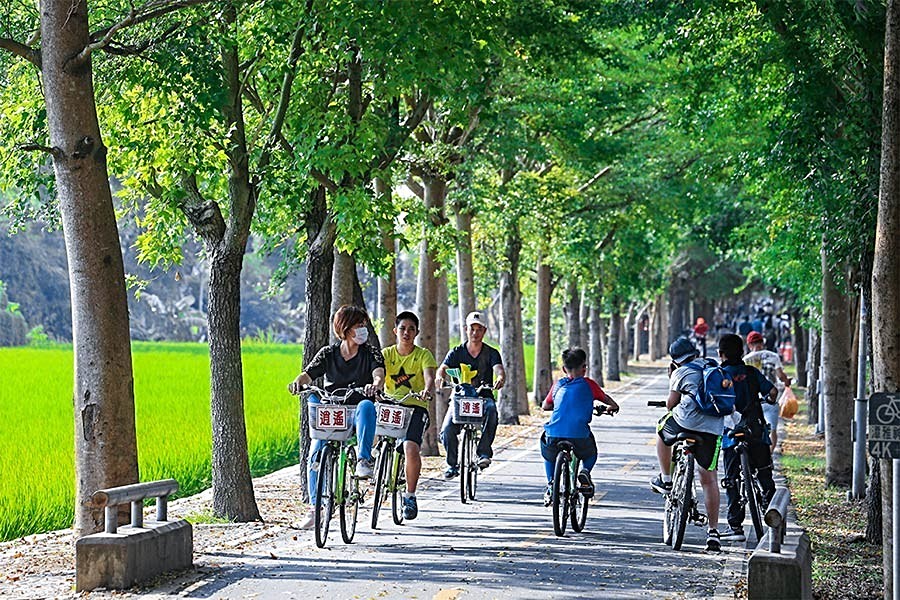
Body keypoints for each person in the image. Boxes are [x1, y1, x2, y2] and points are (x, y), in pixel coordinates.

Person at [288, 305, 385, 529]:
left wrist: (375, 385)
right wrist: (298, 383)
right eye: (358, 325)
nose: (363, 329)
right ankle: (315, 509)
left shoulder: (371, 353)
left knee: (367, 406)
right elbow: (308, 374)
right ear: (345, 328)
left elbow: (378, 373)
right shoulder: (328, 353)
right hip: (331, 413)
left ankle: (363, 460)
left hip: (355, 413)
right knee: (315, 454)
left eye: (363, 325)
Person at [651, 336, 726, 551]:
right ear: (695, 353)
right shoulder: (714, 367)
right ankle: (713, 532)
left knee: (662, 428)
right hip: (713, 429)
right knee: (709, 479)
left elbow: (671, 404)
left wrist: (673, 377)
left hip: (686, 423)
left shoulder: (680, 372)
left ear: (675, 360)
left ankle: (666, 479)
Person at [717, 334, 778, 542]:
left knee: (731, 479)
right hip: (755, 430)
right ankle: (772, 510)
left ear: (721, 354)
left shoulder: (719, 374)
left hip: (730, 434)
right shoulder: (751, 372)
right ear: (742, 352)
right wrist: (769, 399)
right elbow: (772, 391)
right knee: (764, 472)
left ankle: (735, 526)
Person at [540, 348, 619, 506]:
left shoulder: (558, 385)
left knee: (548, 454)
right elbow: (608, 401)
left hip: (554, 434)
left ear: (564, 369)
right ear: (584, 368)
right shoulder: (589, 385)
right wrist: (612, 407)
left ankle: (550, 485)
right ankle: (585, 472)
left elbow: (545, 406)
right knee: (591, 454)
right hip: (579, 436)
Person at [381, 311, 437, 521]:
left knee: (411, 448)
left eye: (411, 329)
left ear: (417, 332)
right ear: (395, 331)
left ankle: (410, 496)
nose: (406, 333)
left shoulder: (423, 355)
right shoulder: (386, 354)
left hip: (415, 408)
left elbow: (429, 377)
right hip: (390, 405)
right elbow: (378, 375)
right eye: (402, 328)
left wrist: (427, 390)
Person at [438, 311, 505, 478]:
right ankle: (452, 464)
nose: (475, 333)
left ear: (484, 331)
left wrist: (500, 378)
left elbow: (499, 369)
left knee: (492, 411)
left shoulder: (491, 353)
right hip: (460, 399)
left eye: (479, 329)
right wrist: (440, 377)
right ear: (465, 329)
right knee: (446, 430)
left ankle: (484, 453)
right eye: (472, 329)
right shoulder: (456, 352)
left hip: (483, 398)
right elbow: (443, 368)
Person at [743, 331, 791, 453]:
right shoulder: (773, 356)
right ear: (762, 343)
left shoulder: (745, 360)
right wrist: (787, 381)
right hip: (770, 397)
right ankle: (769, 455)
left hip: (752, 400)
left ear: (749, 345)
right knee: (772, 430)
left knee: (751, 428)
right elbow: (780, 376)